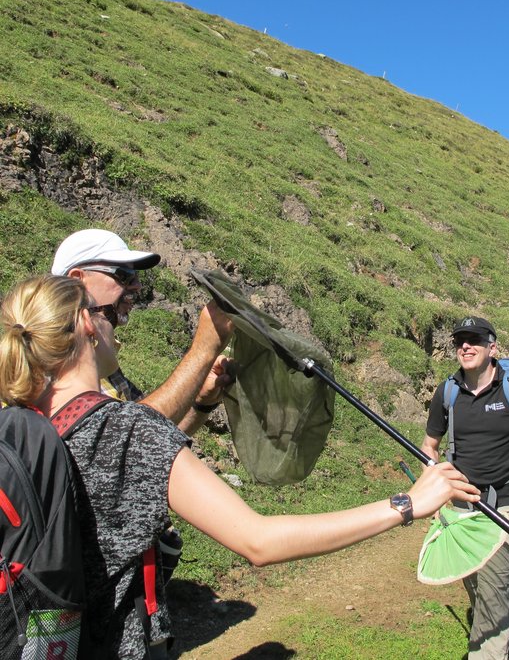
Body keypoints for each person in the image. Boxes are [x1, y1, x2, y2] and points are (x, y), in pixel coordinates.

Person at [0, 274, 481, 660]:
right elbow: (258, 541)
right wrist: (407, 504)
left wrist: (201, 406)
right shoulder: (128, 430)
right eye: (104, 315)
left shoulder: (24, 428)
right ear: (86, 324)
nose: (114, 326)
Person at [421, 316, 509, 660]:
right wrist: (432, 492)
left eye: (474, 340)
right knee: (475, 579)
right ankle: (491, 634)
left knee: (494, 585)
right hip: (463, 505)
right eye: (459, 341)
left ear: (492, 347)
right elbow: (429, 447)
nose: (465, 346)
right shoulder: (447, 392)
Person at [51, 228, 231, 435]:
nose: (137, 285)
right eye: (124, 276)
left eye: (135, 276)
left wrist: (201, 403)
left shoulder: (101, 354)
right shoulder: (54, 353)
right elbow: (126, 437)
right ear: (78, 280)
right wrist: (204, 349)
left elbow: (149, 445)